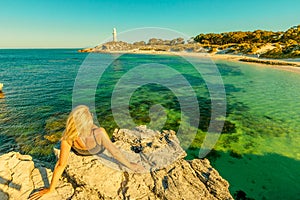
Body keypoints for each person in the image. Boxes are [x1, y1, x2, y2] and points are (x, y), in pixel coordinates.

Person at [29, 105, 145, 200]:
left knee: (67, 139)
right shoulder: (99, 132)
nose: (92, 116)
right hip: (96, 150)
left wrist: (51, 189)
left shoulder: (67, 136)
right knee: (99, 134)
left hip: (79, 150)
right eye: (91, 115)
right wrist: (130, 165)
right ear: (87, 121)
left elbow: (61, 165)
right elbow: (115, 152)